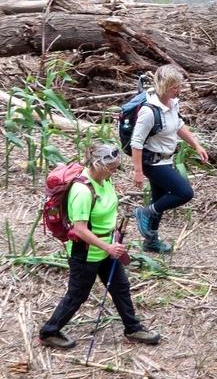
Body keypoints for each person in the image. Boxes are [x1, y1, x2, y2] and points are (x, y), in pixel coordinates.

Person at [39, 144, 161, 349]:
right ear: (98, 164)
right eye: (112, 168)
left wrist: (113, 238)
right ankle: (49, 332)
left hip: (107, 247)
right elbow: (79, 229)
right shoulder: (82, 191)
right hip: (86, 252)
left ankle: (133, 328)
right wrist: (108, 247)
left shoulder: (104, 180)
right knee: (78, 295)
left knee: (120, 288)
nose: (114, 172)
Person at [130, 64, 211, 256]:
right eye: (176, 87)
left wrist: (196, 145)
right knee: (184, 192)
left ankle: (151, 241)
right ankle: (145, 212)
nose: (179, 90)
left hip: (166, 159)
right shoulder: (149, 111)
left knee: (159, 200)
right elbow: (136, 142)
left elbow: (179, 126)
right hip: (152, 162)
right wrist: (138, 171)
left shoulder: (172, 103)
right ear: (165, 86)